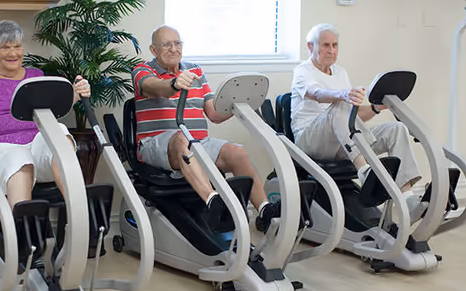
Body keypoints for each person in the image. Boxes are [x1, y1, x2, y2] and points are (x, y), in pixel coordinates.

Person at [132, 25, 280, 232]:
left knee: (236, 152)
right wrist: (174, 84)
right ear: (153, 50)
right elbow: (155, 87)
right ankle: (214, 203)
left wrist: (241, 104)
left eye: (177, 43)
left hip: (198, 143)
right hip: (155, 144)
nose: (174, 49)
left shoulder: (195, 70)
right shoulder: (142, 70)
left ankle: (265, 212)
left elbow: (214, 114)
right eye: (166, 44)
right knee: (181, 139)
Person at [291, 23, 425, 219]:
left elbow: (349, 117)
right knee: (341, 103)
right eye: (325, 45)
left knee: (396, 129)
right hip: (309, 141)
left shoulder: (340, 73)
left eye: (335, 45)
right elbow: (317, 94)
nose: (331, 50)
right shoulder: (303, 71)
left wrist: (375, 108)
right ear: (311, 47)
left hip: (342, 142)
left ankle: (408, 199)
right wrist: (343, 94)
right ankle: (364, 171)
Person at [0, 20, 91, 209]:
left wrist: (75, 94)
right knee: (18, 157)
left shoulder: (35, 76)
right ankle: (21, 234)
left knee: (58, 130)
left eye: (17, 46)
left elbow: (50, 114)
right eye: (5, 47)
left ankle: (83, 217)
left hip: (35, 150)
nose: (13, 53)